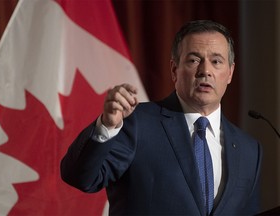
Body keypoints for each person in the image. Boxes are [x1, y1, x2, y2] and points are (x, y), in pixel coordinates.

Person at [61, 20, 262, 215]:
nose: (205, 71)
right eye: (194, 60)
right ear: (174, 70)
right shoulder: (136, 122)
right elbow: (81, 178)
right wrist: (106, 126)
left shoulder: (249, 150)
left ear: (230, 72)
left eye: (216, 61)